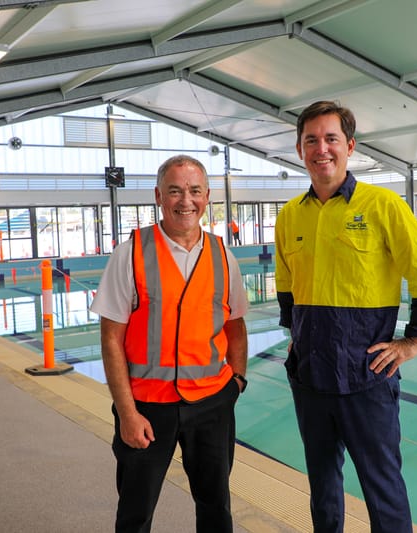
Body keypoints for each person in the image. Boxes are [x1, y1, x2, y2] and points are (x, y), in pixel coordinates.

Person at [274, 101, 417, 533]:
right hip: (311, 378)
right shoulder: (289, 215)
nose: (322, 149)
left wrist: (414, 340)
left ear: (349, 146)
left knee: (383, 489)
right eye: (311, 140)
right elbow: (287, 288)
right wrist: (295, 339)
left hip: (366, 377)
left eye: (331, 138)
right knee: (322, 488)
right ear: (300, 149)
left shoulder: (382, 205)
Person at [90, 154, 249, 533]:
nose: (185, 200)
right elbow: (111, 337)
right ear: (158, 196)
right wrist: (127, 413)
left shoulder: (223, 255)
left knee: (216, 508)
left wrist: (236, 382)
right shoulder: (130, 253)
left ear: (207, 196)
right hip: (147, 408)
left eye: (194, 191)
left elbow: (236, 326)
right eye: (175, 191)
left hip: (212, 405)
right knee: (135, 512)